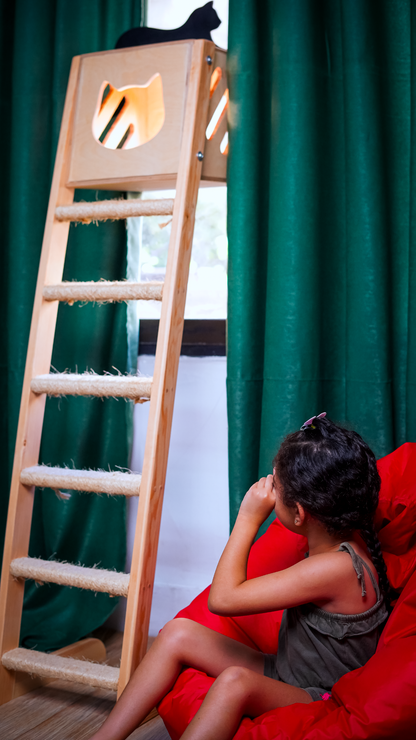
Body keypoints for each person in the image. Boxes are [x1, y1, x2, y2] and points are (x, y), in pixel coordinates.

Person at [90, 413, 390, 740]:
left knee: (235, 682)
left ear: (300, 514)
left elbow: (222, 599)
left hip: (318, 695)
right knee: (177, 632)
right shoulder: (336, 539)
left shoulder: (334, 567)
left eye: (277, 487)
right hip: (287, 670)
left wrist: (247, 517)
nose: (269, 489)